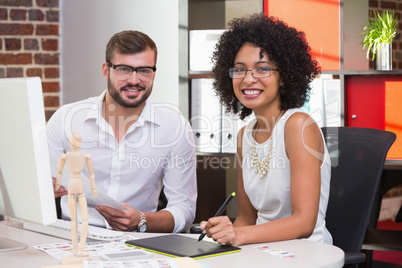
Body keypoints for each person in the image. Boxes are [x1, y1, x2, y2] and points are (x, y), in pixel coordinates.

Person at [200, 13, 332, 246]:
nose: (248, 79)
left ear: (284, 76)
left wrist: (239, 235)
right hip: (260, 251)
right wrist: (222, 233)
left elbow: (304, 222)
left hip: (305, 253)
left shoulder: (299, 125)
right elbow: (246, 218)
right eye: (239, 69)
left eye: (262, 69)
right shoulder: (244, 137)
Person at [47, 30, 197, 233]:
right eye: (124, 69)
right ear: (106, 70)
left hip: (136, 242)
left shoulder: (175, 128)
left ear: (154, 73)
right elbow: (37, 188)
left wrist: (142, 220)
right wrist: (45, 189)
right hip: (71, 238)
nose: (134, 80)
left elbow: (185, 209)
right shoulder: (66, 118)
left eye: (144, 70)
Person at [55, 131, 98, 253]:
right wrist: (57, 184)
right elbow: (91, 173)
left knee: (82, 219)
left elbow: (60, 172)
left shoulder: (79, 156)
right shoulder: (74, 155)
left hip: (76, 183)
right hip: (75, 183)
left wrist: (93, 188)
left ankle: (80, 246)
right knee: (76, 218)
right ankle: (76, 246)